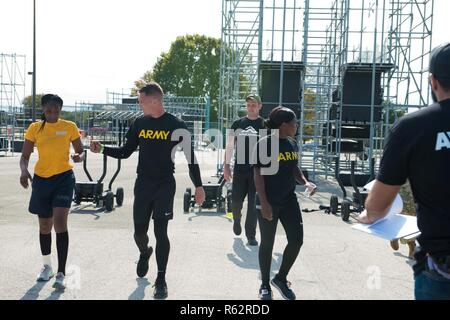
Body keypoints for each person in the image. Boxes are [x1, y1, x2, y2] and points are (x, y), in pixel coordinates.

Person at [90, 82, 205, 299]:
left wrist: (198, 186)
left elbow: (191, 159)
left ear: (154, 100)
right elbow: (125, 152)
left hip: (164, 185)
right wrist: (103, 149)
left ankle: (161, 279)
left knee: (161, 232)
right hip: (143, 184)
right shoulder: (139, 123)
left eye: (141, 100)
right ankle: (145, 253)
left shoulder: (176, 124)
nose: (139, 104)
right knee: (139, 233)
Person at [357, 43, 450, 300]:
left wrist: (368, 215)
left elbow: (378, 205)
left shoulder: (413, 127)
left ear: (433, 82)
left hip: (441, 268)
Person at [20, 94, 85, 290]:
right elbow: (24, 156)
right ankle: (46, 266)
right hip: (41, 180)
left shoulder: (69, 126)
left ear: (60, 110)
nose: (53, 114)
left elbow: (81, 151)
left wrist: (78, 156)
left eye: (56, 110)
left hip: (64, 178)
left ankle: (61, 273)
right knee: (45, 225)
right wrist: (24, 171)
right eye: (49, 111)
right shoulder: (34, 128)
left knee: (59, 222)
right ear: (43, 110)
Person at [253, 106, 316, 300]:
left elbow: (293, 167)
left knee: (296, 240)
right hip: (268, 200)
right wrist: (264, 202)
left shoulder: (291, 143)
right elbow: (258, 174)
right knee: (267, 243)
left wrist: (305, 182)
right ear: (283, 125)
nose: (297, 126)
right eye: (294, 122)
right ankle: (265, 284)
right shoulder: (264, 144)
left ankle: (280, 278)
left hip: (289, 200)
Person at [224, 94, 265, 246]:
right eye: (248, 104)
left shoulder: (265, 124)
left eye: (254, 104)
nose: (251, 107)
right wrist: (227, 166)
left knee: (254, 204)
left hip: (257, 171)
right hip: (240, 169)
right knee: (236, 201)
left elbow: (272, 149)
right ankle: (236, 219)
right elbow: (229, 146)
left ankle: (251, 235)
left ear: (260, 106)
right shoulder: (238, 124)